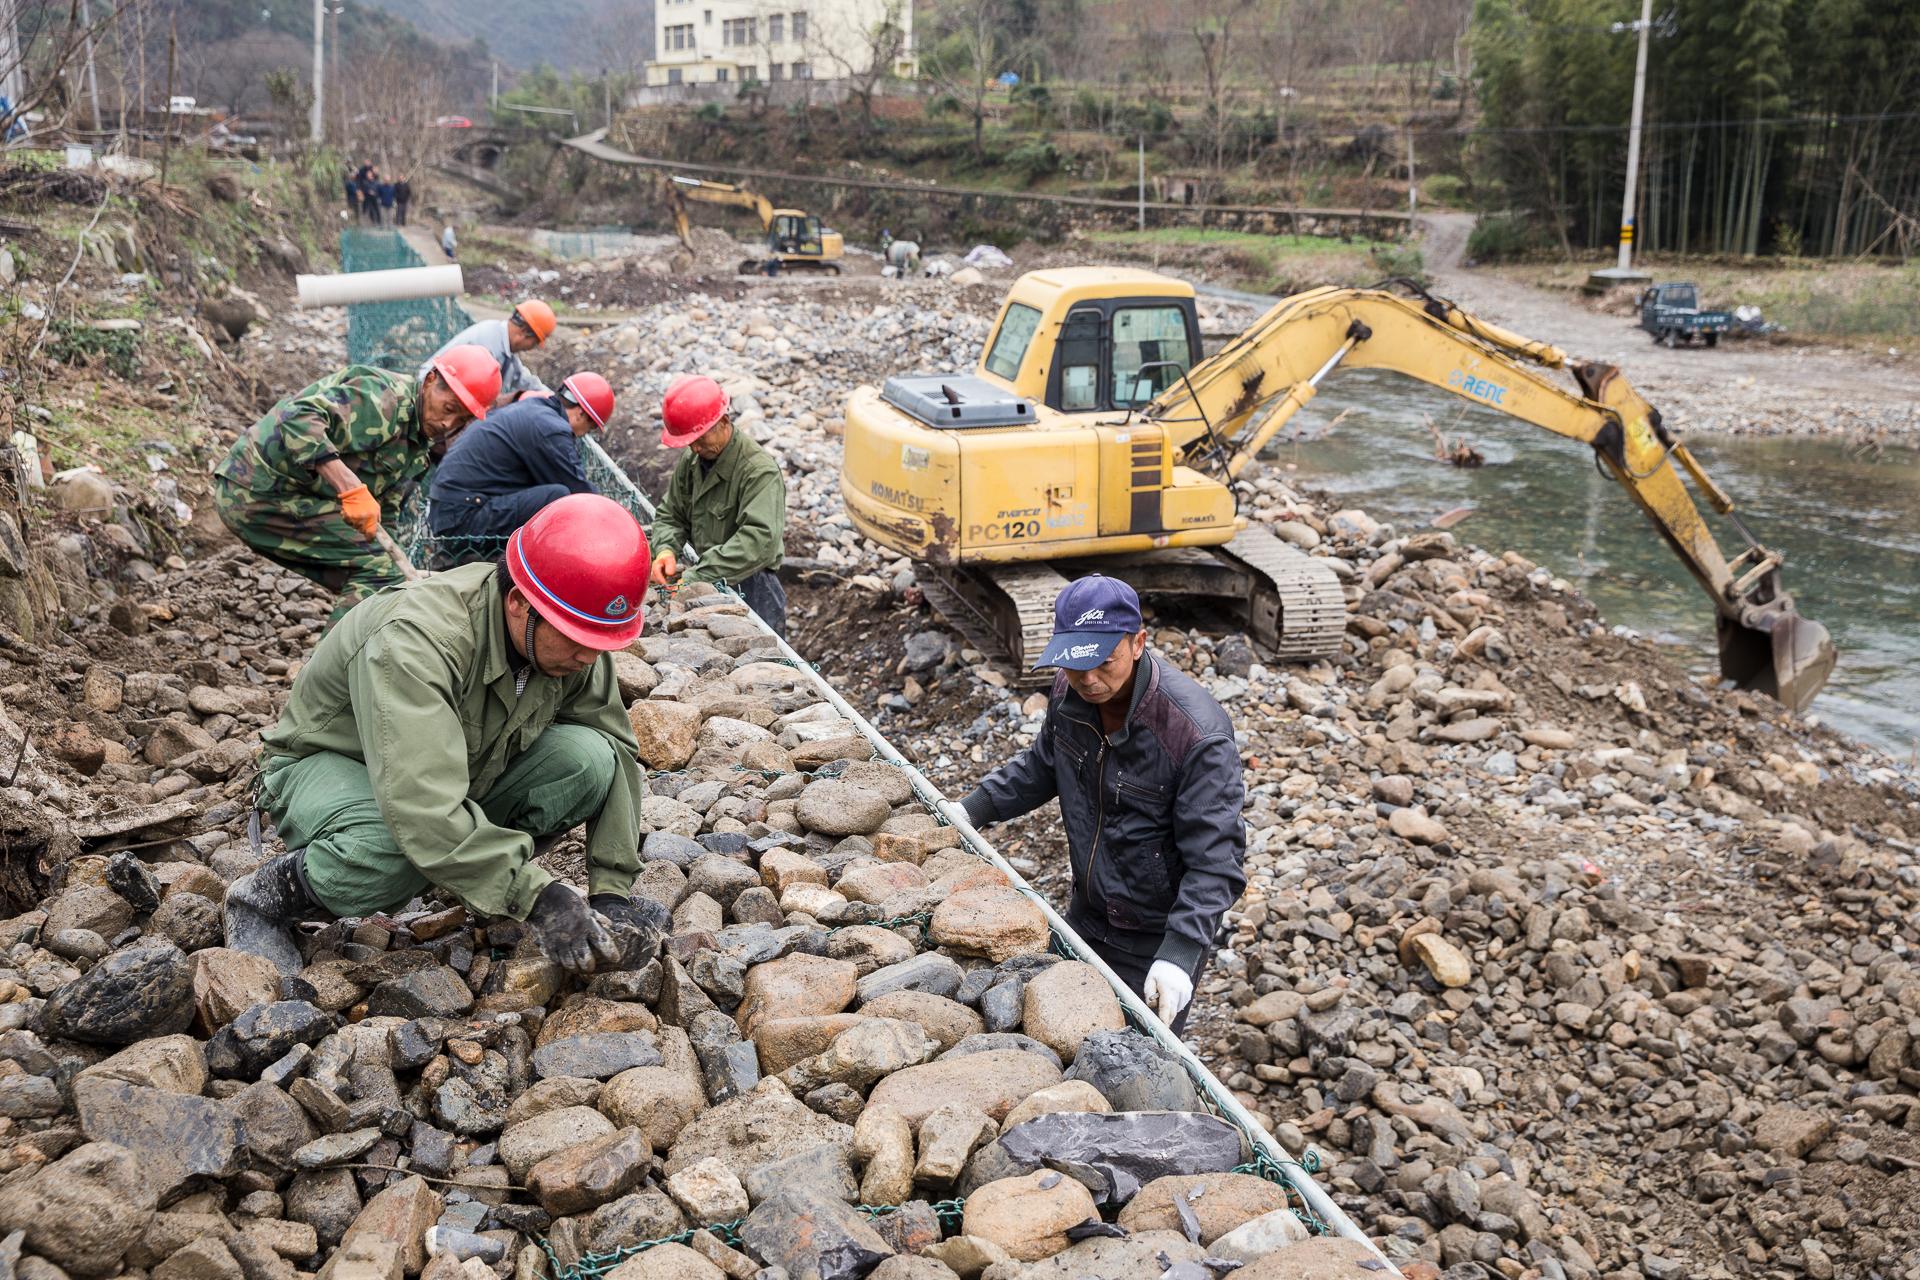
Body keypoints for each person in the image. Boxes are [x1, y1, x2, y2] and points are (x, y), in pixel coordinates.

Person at [225, 494, 660, 978]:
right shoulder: (416, 641)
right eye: (578, 637)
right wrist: (539, 898)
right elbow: (422, 808)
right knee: (393, 850)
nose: (589, 657)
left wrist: (612, 895)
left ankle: (472, 868)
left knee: (591, 759)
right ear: (519, 602)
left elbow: (616, 748)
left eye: (601, 641)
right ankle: (262, 900)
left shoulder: (566, 642)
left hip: (459, 771)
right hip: (329, 765)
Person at [951, 575, 1246, 1033]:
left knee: (1133, 1060)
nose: (1088, 679)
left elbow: (1216, 865)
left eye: (1103, 662)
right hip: (1086, 913)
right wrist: (971, 810)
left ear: (1137, 642)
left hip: (1154, 935)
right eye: (1074, 664)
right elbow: (1043, 765)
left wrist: (1179, 956)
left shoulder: (1195, 735)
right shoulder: (1070, 692)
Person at [213, 345, 501, 625]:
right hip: (255, 489)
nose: (447, 423)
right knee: (377, 572)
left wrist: (400, 569)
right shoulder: (383, 398)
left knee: (386, 581)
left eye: (460, 420)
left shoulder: (417, 447)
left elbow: (383, 509)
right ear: (430, 381)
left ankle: (356, 656)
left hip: (290, 495)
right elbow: (298, 415)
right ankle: (333, 672)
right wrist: (349, 487)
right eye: (448, 408)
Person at [648, 375, 787, 636]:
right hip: (710, 574)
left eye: (700, 439)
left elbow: (759, 542)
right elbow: (671, 514)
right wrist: (666, 549)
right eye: (691, 442)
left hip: (753, 586)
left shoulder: (758, 472)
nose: (696, 448)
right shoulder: (693, 460)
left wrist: (695, 577)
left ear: (724, 422)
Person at [428, 372, 614, 564]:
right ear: (581, 414)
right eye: (590, 428)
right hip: (461, 519)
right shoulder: (550, 428)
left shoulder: (534, 410)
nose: (583, 435)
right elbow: (579, 492)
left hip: (451, 510)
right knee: (558, 497)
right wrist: (613, 519)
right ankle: (517, 563)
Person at [422, 301, 554, 407]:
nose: (532, 348)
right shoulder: (489, 347)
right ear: (524, 333)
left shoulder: (502, 343)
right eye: (535, 343)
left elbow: (523, 378)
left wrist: (553, 398)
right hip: (431, 394)